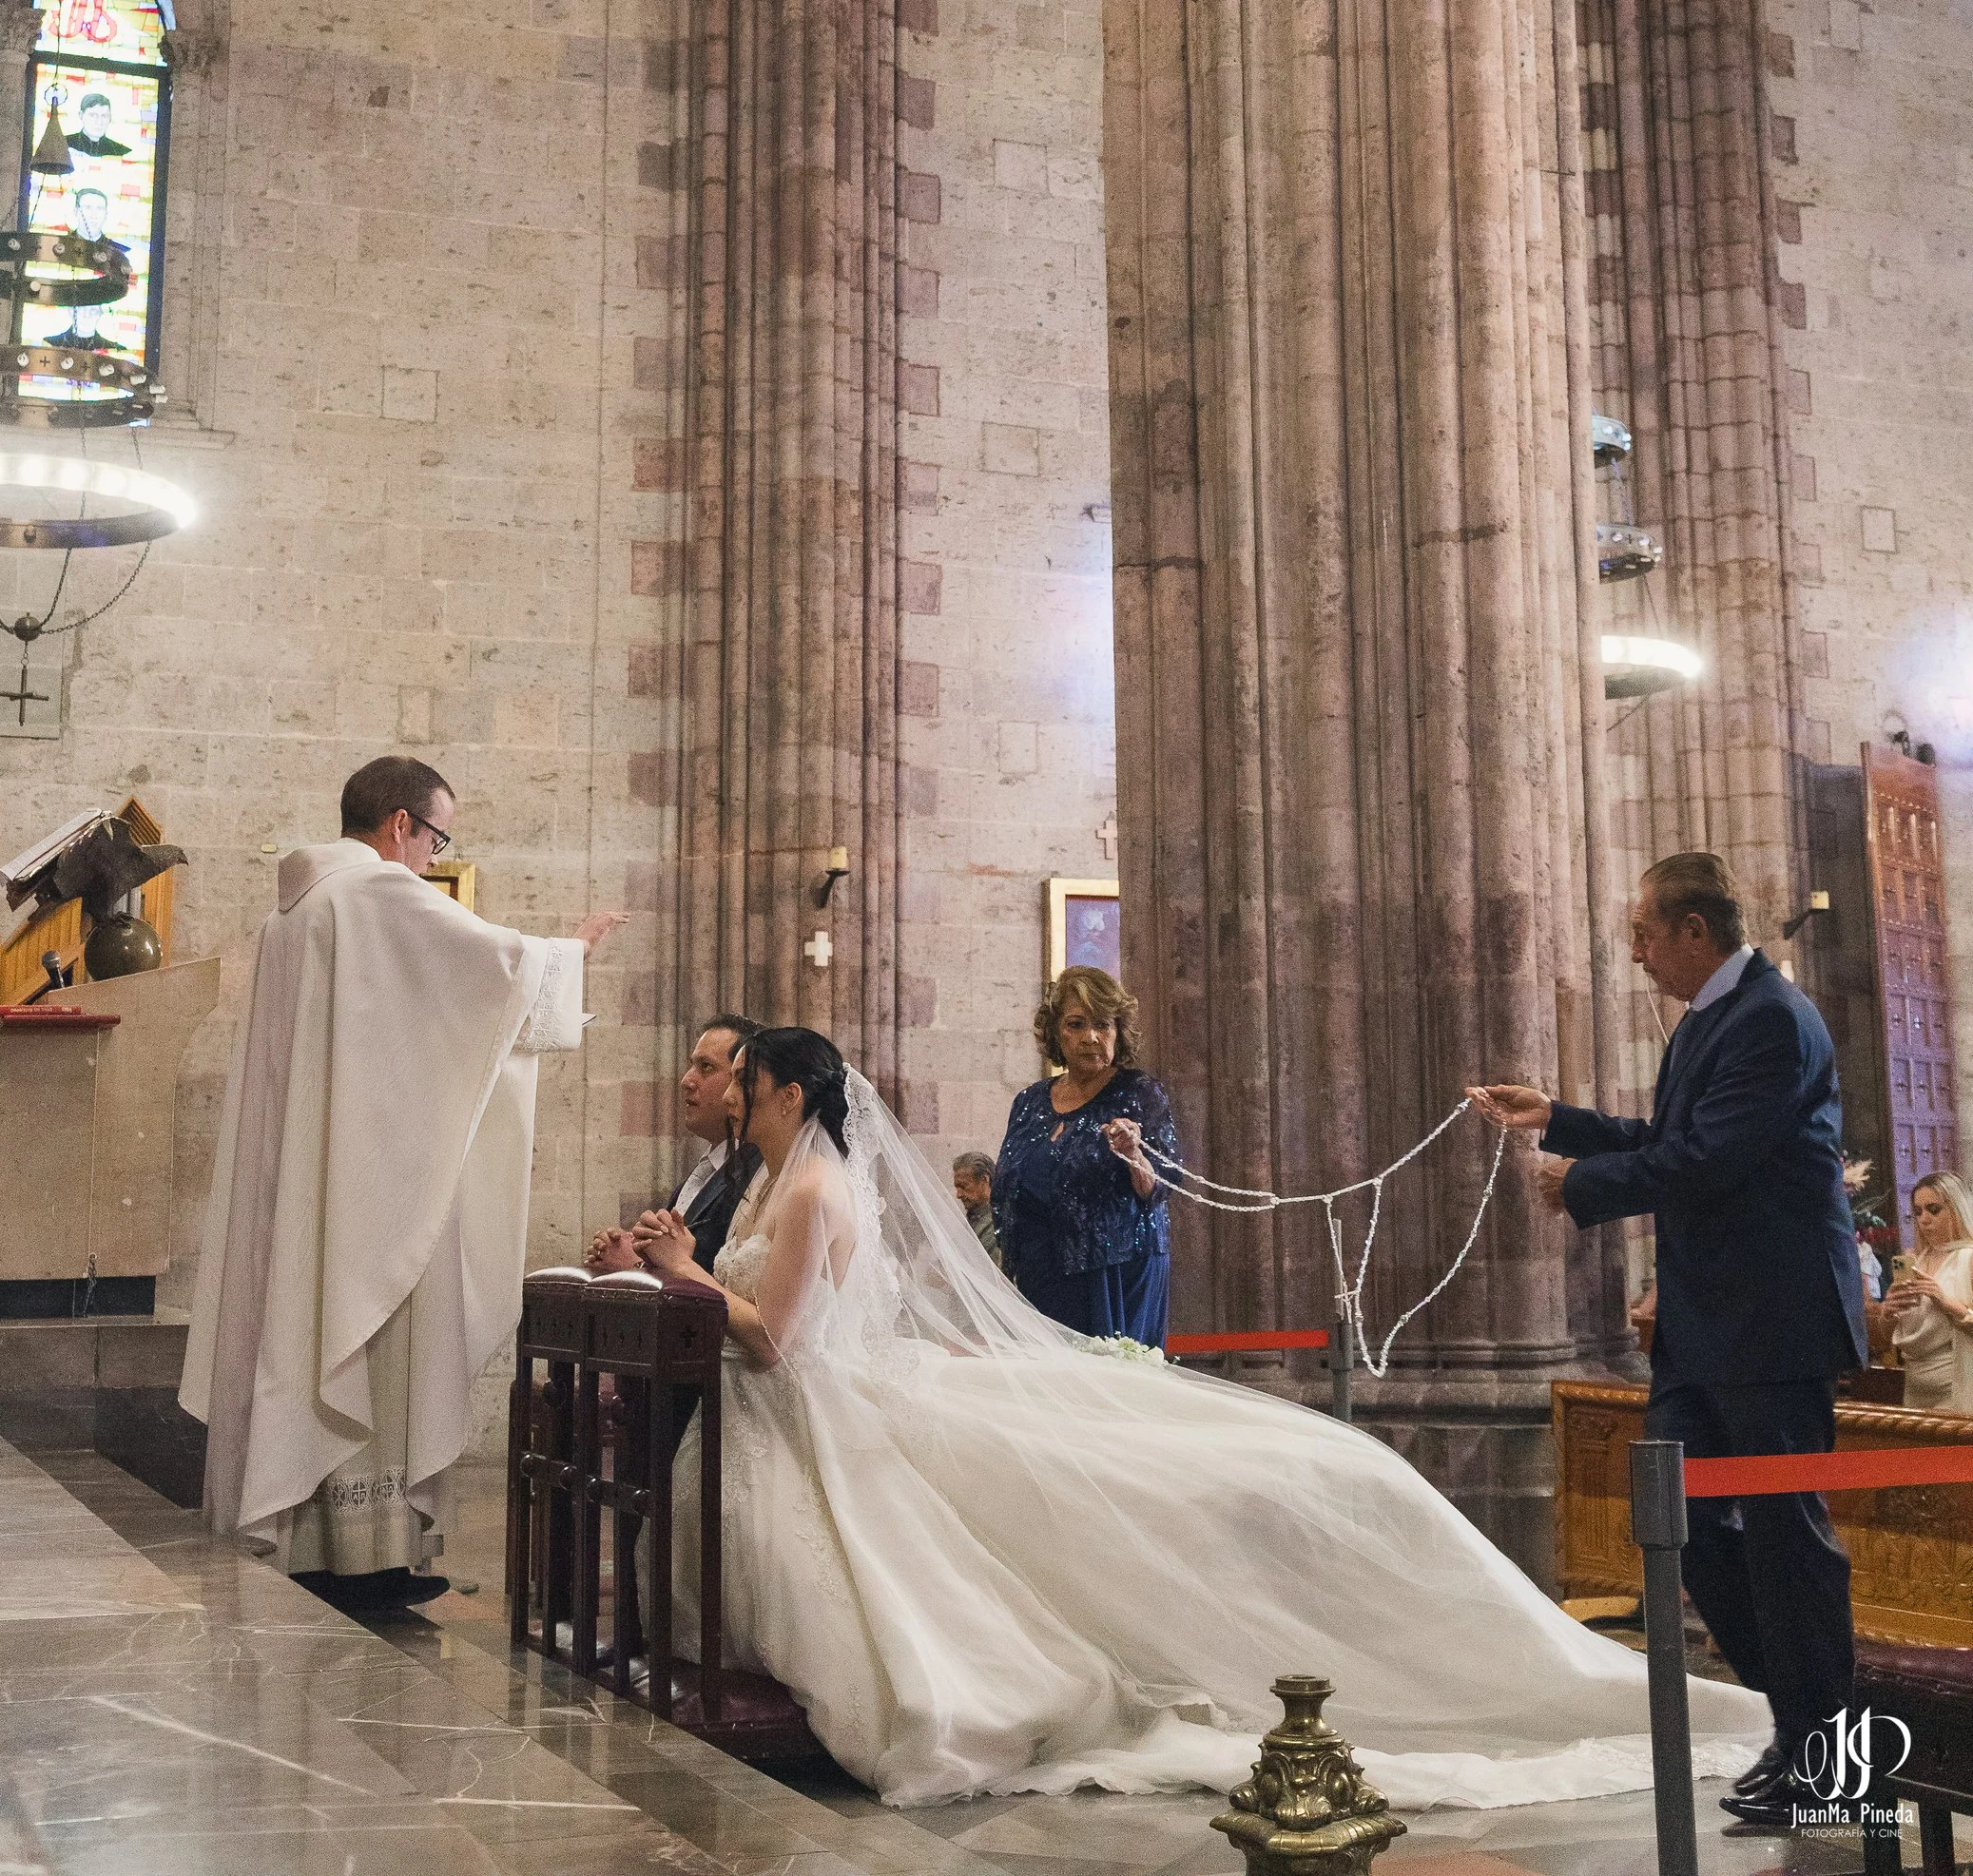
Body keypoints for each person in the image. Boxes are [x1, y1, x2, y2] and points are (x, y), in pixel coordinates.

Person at [630, 1025, 1762, 1811]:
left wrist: (682, 1273)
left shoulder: (819, 1187)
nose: (725, 1091)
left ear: (784, 1093)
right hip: (796, 1402)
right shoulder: (777, 1179)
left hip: (809, 1393)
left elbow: (774, 1334)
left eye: (741, 1078)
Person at [1472, 847, 1865, 1834]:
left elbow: (1709, 1158)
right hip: (1706, 1326)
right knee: (1681, 1527)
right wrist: (1557, 1119)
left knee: (1784, 1542)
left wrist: (1583, 1186)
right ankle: (1801, 1729)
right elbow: (1667, 1132)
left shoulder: (1773, 1018)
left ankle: (1830, 1759)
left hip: (1768, 1321)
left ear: (1696, 931)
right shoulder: (1714, 1018)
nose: (1637, 953)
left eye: (1646, 933)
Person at [183, 753, 622, 1591]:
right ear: (400, 826)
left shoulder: (295, 911)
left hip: (313, 1177)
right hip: (365, 1195)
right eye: (437, 836)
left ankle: (311, 1534)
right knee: (372, 1340)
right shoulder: (376, 893)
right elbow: (493, 971)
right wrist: (573, 949)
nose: (433, 855)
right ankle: (367, 1557)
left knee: (304, 1329)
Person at [992, 964, 1173, 1340]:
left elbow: (1161, 1187)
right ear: (1056, 1033)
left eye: (1103, 1025)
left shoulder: (1139, 1093)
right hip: (1040, 1273)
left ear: (1118, 1032)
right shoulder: (1029, 1101)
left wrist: (1135, 1156)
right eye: (1076, 1024)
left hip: (1114, 1273)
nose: (1090, 1037)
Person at [589, 1013, 757, 1275]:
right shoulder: (707, 1167)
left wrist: (635, 1267)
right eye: (692, 1065)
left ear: (743, 1081)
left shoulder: (754, 1171)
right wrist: (632, 1248)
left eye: (706, 1068)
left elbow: (718, 1282)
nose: (687, 1081)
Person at [1882, 1171, 1973, 1408]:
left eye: (1933, 1209)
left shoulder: (1969, 1257)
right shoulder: (1915, 1261)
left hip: (1958, 1385)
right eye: (1918, 1211)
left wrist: (1944, 1300)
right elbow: (1888, 1336)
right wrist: (1888, 1312)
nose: (1924, 1219)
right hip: (1915, 1386)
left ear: (1956, 1208)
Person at [953, 1150, 1001, 1267]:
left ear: (985, 1180)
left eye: (964, 1186)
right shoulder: (973, 1219)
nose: (958, 1195)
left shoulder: (999, 1222)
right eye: (957, 1188)